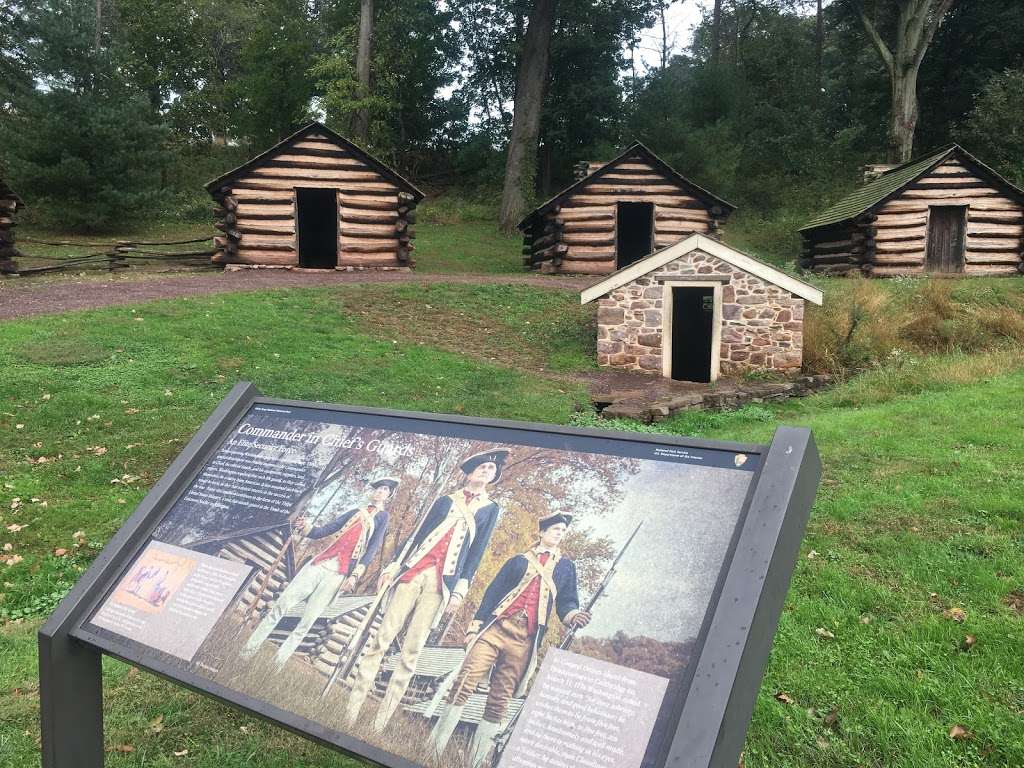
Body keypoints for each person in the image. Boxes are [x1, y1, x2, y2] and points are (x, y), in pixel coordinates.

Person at [343, 449, 510, 733]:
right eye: (481, 467)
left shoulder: (491, 509)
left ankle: (379, 723)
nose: (486, 471)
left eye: (491, 470)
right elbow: (417, 535)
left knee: (412, 651)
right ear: (469, 473)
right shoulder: (445, 500)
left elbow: (477, 552)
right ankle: (351, 711)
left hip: (440, 585)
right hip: (413, 573)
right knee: (381, 640)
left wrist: (460, 589)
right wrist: (393, 566)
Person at [429, 512, 590, 768]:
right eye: (555, 528)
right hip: (495, 628)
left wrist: (573, 616)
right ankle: (432, 750)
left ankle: (476, 761)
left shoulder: (566, 567)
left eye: (563, 530)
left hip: (525, 640)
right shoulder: (517, 561)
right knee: (464, 682)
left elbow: (567, 601)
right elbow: (492, 593)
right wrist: (475, 627)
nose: (559, 533)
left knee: (500, 699)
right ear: (542, 533)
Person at [240, 476, 398, 669]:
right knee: (280, 606)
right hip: (320, 563)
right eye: (377, 488)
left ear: (389, 495)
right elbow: (324, 530)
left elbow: (372, 549)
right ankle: (246, 653)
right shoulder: (356, 511)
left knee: (306, 622)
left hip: (339, 573)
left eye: (383, 489)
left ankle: (276, 665)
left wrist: (356, 574)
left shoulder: (383, 518)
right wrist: (305, 527)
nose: (379, 492)